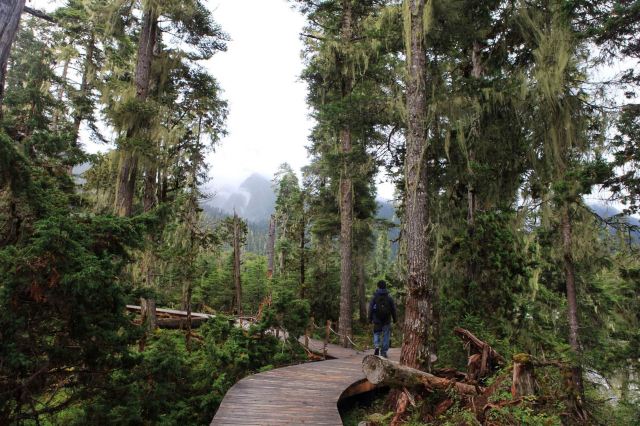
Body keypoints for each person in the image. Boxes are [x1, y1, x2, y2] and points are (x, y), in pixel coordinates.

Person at [368, 280, 397, 358]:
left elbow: (370, 308)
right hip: (387, 319)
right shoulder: (389, 298)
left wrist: (369, 319)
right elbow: (393, 309)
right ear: (385, 287)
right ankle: (383, 352)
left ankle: (377, 346)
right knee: (386, 335)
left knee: (376, 333)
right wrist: (395, 319)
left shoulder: (374, 297)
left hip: (377, 319)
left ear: (378, 286)